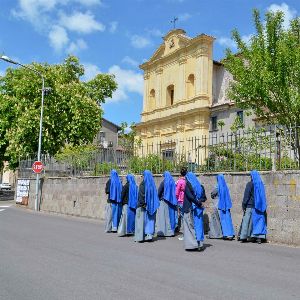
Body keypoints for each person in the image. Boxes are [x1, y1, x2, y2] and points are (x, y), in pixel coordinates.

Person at [238, 170, 267, 244]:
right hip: (259, 206)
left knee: (246, 222)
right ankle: (259, 237)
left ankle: (244, 237)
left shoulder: (250, 184)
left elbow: (246, 196)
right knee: (258, 222)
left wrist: (243, 205)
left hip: (250, 206)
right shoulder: (261, 185)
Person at [182, 172, 207, 250]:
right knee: (199, 225)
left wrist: (197, 203)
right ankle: (200, 243)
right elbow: (204, 198)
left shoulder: (188, 186)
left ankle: (193, 244)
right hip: (199, 209)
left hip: (191, 208)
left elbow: (190, 197)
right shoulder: (200, 186)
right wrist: (199, 202)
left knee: (191, 226)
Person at [134, 170, 160, 242]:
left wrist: (142, 205)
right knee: (150, 221)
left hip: (143, 206)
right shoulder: (152, 184)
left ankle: (140, 238)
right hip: (152, 206)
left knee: (141, 222)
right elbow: (155, 196)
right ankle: (149, 235)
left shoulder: (143, 184)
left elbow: (141, 196)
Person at [209, 174, 235, 240]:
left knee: (221, 220)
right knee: (228, 219)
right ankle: (230, 233)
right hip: (226, 205)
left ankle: (224, 234)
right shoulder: (225, 186)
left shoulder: (217, 186)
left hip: (219, 204)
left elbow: (212, 194)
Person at [157, 171, 177, 237]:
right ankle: (172, 231)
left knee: (164, 217)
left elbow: (159, 191)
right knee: (172, 216)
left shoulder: (164, 182)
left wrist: (159, 198)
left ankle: (165, 232)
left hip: (165, 201)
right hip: (172, 201)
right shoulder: (173, 182)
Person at [175, 167, 187, 240]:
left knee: (183, 217)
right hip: (187, 200)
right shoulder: (187, 180)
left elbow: (176, 193)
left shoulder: (180, 181)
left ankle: (184, 235)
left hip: (180, 200)